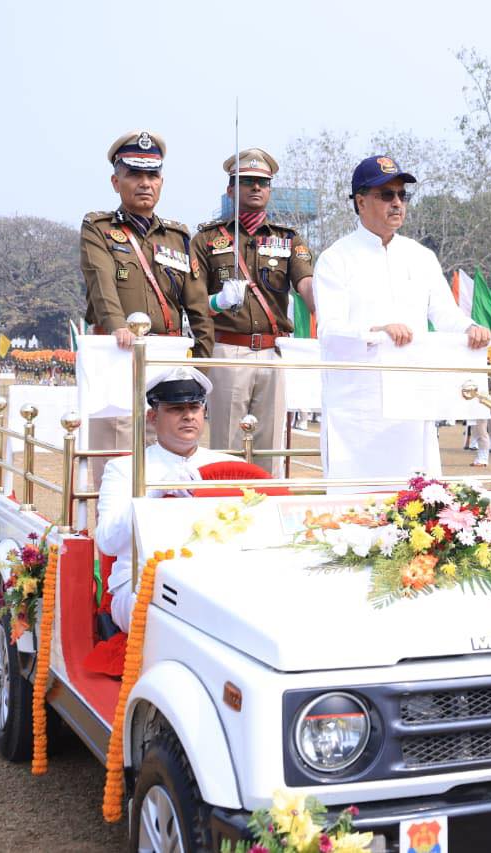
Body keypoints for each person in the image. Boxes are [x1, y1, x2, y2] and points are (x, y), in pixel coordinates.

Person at [312, 155, 490, 481]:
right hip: (358, 408)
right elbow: (330, 329)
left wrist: (471, 327)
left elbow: (444, 313)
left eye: (402, 195)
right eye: (386, 195)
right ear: (361, 202)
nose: (397, 203)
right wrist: (376, 331)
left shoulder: (420, 257)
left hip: (412, 401)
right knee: (357, 505)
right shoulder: (335, 258)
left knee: (414, 503)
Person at [80, 130, 213, 486]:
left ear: (161, 181)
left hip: (168, 359)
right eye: (134, 174)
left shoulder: (178, 237)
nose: (144, 183)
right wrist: (116, 324)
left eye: (152, 175)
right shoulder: (99, 229)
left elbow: (197, 304)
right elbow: (101, 282)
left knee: (169, 466)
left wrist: (203, 362)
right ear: (115, 181)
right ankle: (111, 540)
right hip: (117, 354)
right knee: (114, 465)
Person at [191, 148, 316, 473]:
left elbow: (306, 285)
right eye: (246, 181)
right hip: (228, 349)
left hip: (273, 352)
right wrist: (217, 302)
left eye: (262, 182)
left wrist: (330, 310)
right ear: (231, 189)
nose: (255, 188)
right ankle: (225, 514)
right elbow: (191, 305)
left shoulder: (287, 239)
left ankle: (267, 513)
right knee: (227, 448)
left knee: (270, 451)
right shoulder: (206, 239)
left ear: (271, 189)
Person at [95, 367, 231, 632]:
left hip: (215, 578)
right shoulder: (125, 469)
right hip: (141, 582)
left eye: (195, 407)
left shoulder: (227, 465)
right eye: (176, 409)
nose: (189, 415)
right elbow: (107, 542)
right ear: (152, 417)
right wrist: (154, 491)